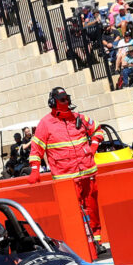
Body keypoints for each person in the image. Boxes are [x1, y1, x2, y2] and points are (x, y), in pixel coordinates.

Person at [28, 88, 106, 244]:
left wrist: (94, 145)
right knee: (73, 213)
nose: (66, 102)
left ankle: (96, 241)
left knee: (92, 209)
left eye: (67, 98)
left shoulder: (79, 118)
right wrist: (35, 169)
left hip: (87, 172)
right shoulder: (45, 123)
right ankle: (80, 243)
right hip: (66, 178)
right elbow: (36, 148)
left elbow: (98, 129)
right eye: (62, 99)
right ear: (53, 102)